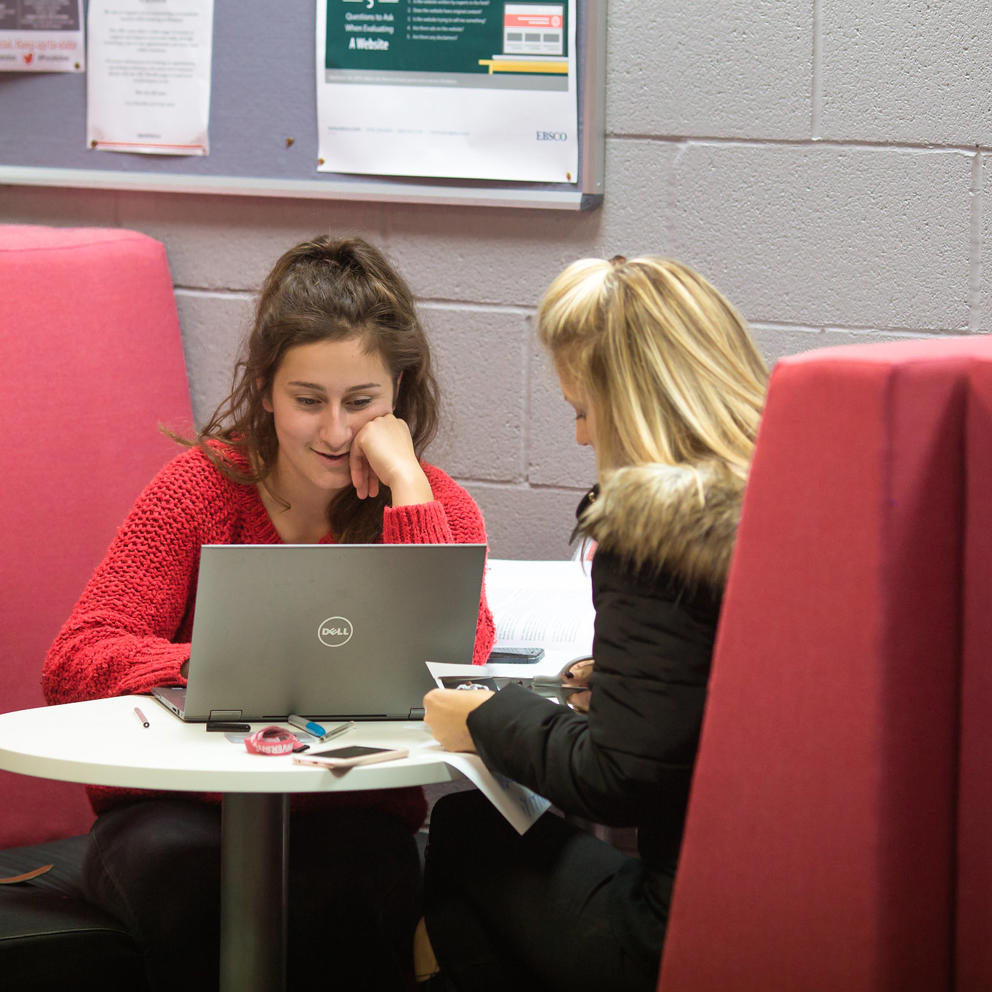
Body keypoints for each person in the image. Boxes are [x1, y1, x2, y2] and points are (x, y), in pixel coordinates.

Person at [42, 235, 495, 991]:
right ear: (265, 390)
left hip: (348, 813)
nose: (333, 432)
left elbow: (455, 668)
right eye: (307, 400)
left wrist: (408, 491)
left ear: (399, 396)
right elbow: (75, 658)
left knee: (357, 897)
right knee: (186, 891)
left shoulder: (435, 503)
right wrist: (210, 665)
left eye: (362, 403)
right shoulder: (199, 489)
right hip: (177, 812)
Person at [418, 254, 769, 991]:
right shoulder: (787, 496)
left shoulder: (656, 530)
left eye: (582, 409)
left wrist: (486, 718)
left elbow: (618, 778)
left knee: (463, 831)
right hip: (787, 901)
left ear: (638, 402)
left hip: (678, 933)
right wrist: (622, 683)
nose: (580, 437)